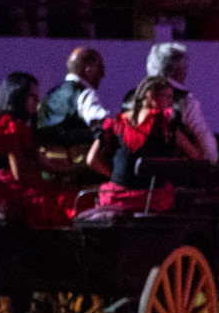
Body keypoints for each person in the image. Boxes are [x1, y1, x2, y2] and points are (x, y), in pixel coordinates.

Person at [86, 75, 205, 213]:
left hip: (117, 198)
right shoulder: (164, 124)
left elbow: (91, 159)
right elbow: (196, 156)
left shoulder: (114, 123)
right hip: (152, 200)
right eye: (167, 97)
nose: (170, 102)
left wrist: (119, 177)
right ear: (150, 95)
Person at [0, 71, 77, 227]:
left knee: (70, 193)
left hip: (20, 184)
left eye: (37, 96)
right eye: (32, 96)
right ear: (18, 96)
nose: (37, 101)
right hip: (9, 190)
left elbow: (42, 162)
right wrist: (50, 184)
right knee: (64, 201)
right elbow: (19, 174)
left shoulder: (22, 129)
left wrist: (73, 168)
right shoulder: (9, 127)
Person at [143, 42, 219, 162]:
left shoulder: (135, 97)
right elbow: (210, 154)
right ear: (179, 71)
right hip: (173, 170)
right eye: (185, 68)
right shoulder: (186, 102)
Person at [37, 46, 109, 149]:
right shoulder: (86, 94)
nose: (102, 75)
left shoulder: (50, 94)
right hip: (76, 157)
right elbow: (103, 125)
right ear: (88, 69)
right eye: (100, 68)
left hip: (46, 156)